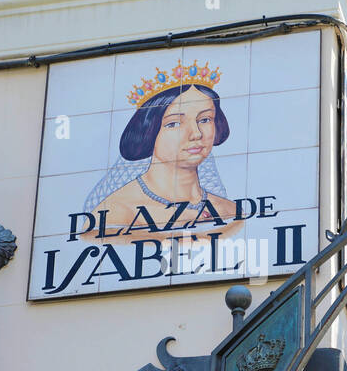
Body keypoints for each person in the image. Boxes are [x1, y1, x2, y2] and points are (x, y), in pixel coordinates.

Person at [89, 60, 244, 243]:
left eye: (205, 119)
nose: (196, 134)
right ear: (148, 132)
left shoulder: (230, 211)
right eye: (174, 124)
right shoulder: (114, 216)